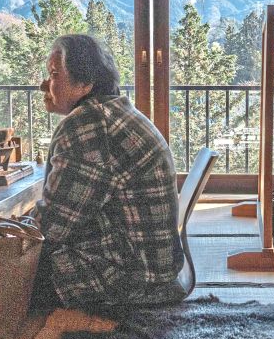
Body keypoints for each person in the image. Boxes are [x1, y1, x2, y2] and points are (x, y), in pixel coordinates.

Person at [29, 34, 184, 310]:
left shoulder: (89, 123)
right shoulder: (112, 111)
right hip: (151, 265)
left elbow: (54, 226)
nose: (44, 84)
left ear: (85, 84)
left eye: (54, 74)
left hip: (125, 277)